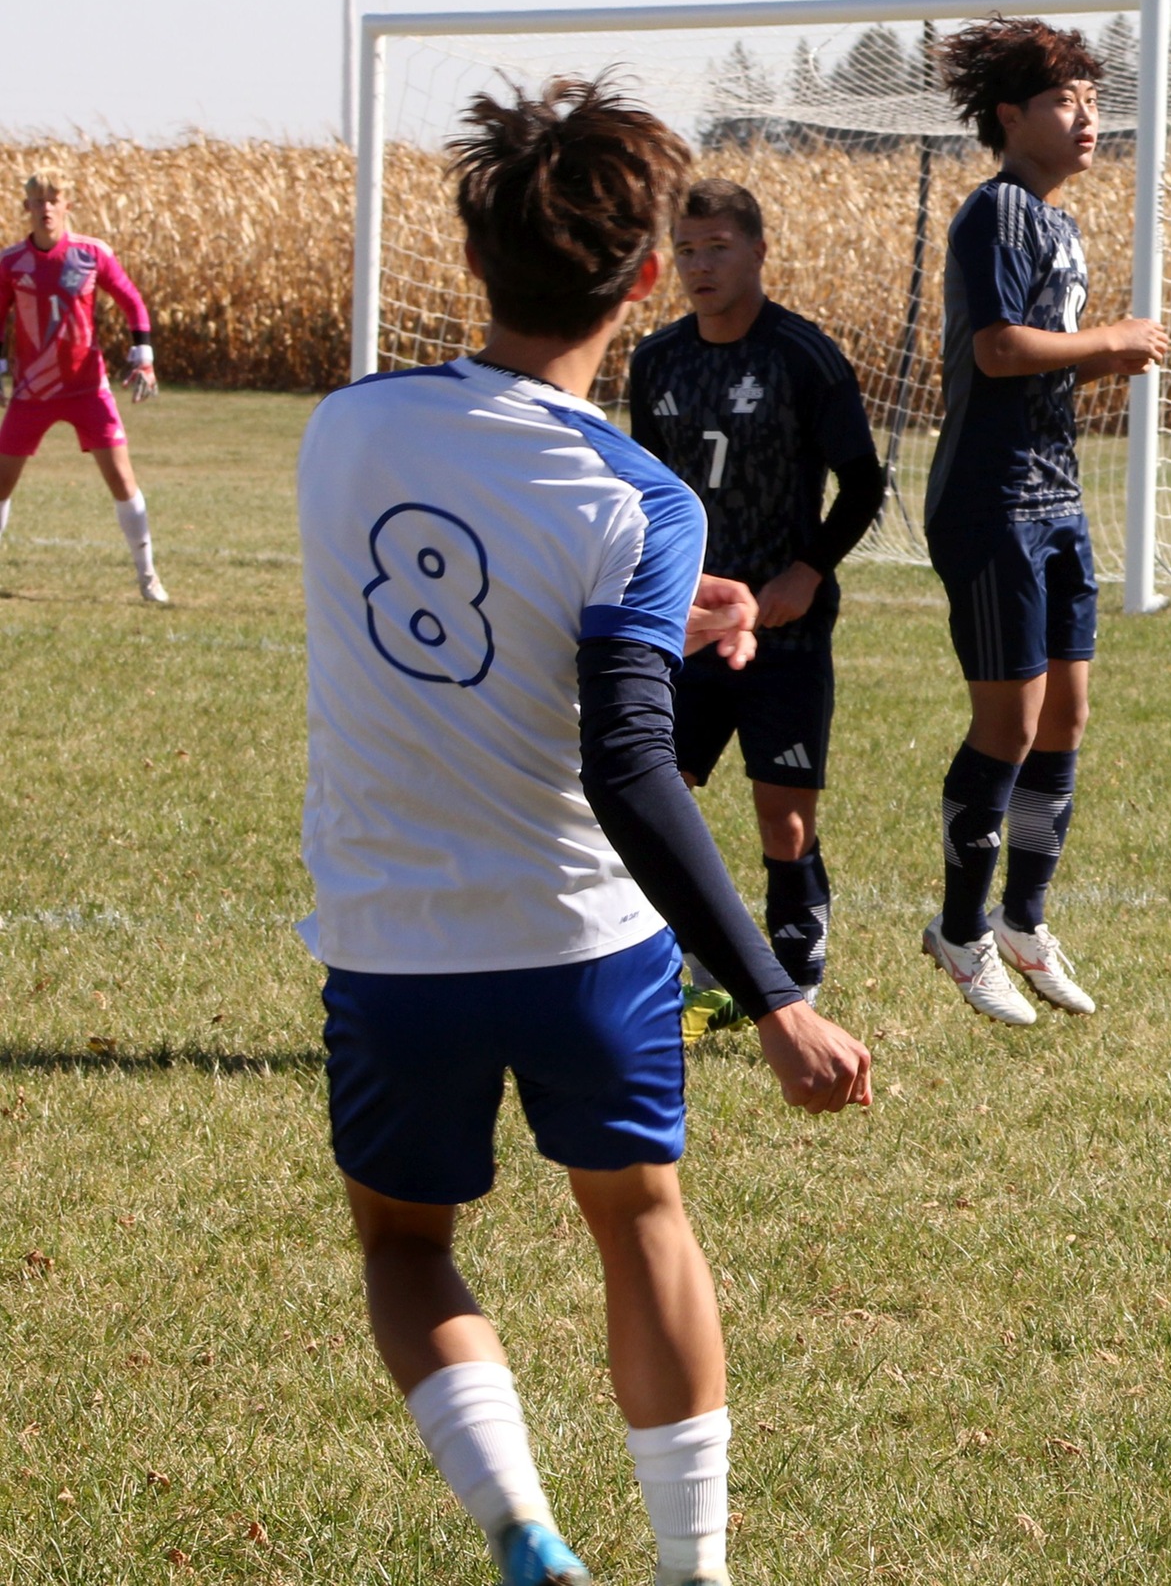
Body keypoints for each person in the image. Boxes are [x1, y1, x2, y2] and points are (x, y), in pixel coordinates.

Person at [295, 78, 871, 1586]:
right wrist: (777, 997)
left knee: (409, 1248)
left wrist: (658, 619)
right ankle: (695, 1573)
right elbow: (627, 765)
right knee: (640, 1223)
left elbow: (465, 585)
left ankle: (527, 1536)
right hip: (580, 945)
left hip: (391, 945)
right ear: (642, 279)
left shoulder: (339, 435)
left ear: (475, 262)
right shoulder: (639, 494)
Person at [919, 20, 1169, 1026]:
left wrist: (1096, 354)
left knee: (1065, 717)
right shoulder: (996, 214)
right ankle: (959, 928)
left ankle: (1023, 920)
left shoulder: (1058, 225)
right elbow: (996, 350)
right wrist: (1109, 342)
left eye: (1095, 103)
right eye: (1068, 102)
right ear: (1012, 115)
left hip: (1056, 497)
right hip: (989, 503)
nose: (1089, 120)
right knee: (1008, 724)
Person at [629, 180, 884, 1015]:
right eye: (689, 250)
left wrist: (806, 571)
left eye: (719, 248)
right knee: (658, 797)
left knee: (785, 822)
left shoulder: (801, 355)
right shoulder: (656, 361)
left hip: (787, 634)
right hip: (689, 627)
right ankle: (694, 954)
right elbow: (646, 487)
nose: (701, 266)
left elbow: (862, 482)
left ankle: (795, 971)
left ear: (758, 252)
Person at [0, 173, 166, 603]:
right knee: (1, 482)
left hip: (87, 389)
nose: (46, 207)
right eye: (37, 200)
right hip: (32, 392)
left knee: (121, 478)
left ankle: (148, 579)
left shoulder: (91, 253)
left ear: (67, 204)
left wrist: (143, 355)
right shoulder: (10, 262)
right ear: (27, 207)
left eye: (53, 199)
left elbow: (130, 299)